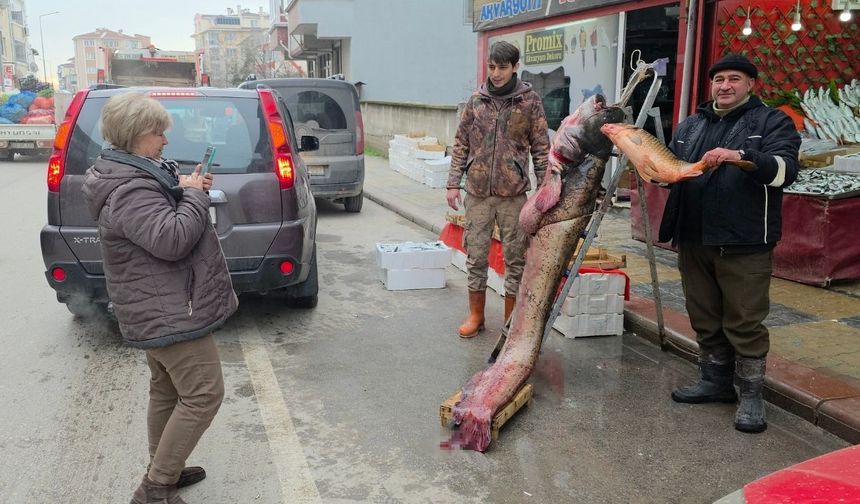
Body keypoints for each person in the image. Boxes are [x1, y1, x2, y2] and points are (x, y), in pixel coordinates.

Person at [82, 92, 238, 503]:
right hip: (168, 309)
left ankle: (163, 468)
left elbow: (164, 214)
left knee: (167, 390)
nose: (165, 140)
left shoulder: (133, 170)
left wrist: (187, 187)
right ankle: (155, 490)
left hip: (158, 302)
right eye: (158, 132)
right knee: (204, 393)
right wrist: (195, 196)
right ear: (134, 136)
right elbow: (171, 239)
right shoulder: (130, 187)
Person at [659, 54, 800, 433]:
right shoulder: (690, 125)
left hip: (745, 240)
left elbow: (786, 170)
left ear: (751, 84)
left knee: (745, 320)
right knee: (704, 315)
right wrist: (656, 171)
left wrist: (742, 157)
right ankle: (715, 381)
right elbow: (672, 168)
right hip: (694, 237)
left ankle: (752, 395)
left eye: (734, 79)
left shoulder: (771, 121)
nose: (724, 86)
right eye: (718, 79)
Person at [446, 40, 550, 338]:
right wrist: (454, 183)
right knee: (476, 255)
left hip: (514, 196)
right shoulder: (476, 101)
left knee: (516, 258)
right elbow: (461, 143)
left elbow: (542, 149)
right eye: (492, 67)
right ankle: (476, 315)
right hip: (477, 193)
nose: (496, 73)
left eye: (502, 67)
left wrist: (544, 194)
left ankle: (510, 324)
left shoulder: (529, 102)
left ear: (515, 66)